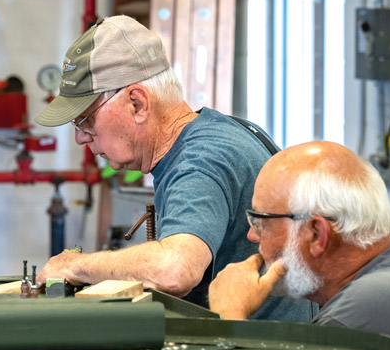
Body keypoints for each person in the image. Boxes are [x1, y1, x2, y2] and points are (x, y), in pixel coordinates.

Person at [34, 16, 309, 321]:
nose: (80, 137)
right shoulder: (223, 130)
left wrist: (76, 266)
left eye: (85, 120)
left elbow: (174, 270)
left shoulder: (200, 160)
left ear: (137, 104)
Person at [209, 141, 390, 345]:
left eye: (260, 222)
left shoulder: (349, 319)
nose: (252, 235)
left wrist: (229, 314)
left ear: (316, 234)